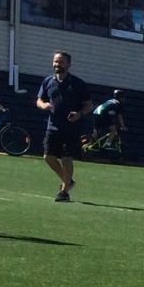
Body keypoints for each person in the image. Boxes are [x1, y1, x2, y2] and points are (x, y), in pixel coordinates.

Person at [36, 51, 89, 202]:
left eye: (61, 62)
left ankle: (64, 192)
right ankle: (68, 181)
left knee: (66, 158)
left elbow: (88, 105)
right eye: (55, 61)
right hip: (52, 126)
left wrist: (79, 114)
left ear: (69, 64)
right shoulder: (47, 81)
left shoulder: (78, 83)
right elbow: (39, 100)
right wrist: (43, 105)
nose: (57, 64)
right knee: (48, 157)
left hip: (71, 128)